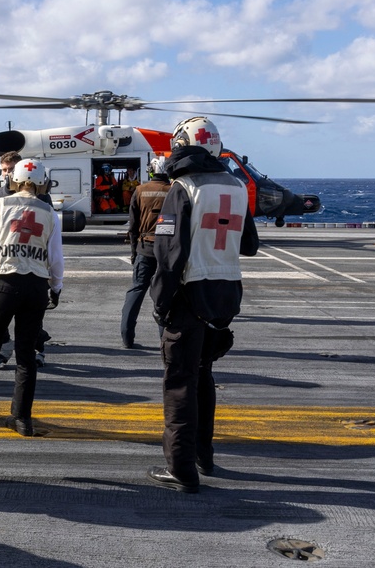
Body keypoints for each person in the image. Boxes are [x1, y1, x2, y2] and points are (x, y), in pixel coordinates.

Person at [146, 117, 259, 493]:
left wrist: (160, 303)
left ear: (182, 143)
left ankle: (180, 468)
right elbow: (249, 245)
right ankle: (203, 454)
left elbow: (168, 254)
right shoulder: (237, 186)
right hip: (225, 295)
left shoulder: (183, 187)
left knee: (179, 381)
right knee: (204, 374)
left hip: (188, 295)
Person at [0, 158, 64, 437]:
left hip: (5, 283)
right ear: (43, 183)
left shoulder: (1, 205)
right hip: (36, 288)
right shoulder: (50, 212)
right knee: (26, 355)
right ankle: (21, 418)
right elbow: (56, 256)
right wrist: (56, 286)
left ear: (13, 180)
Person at [0, 151, 53, 369]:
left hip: (32, 261)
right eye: (4, 169)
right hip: (5, 261)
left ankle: (37, 348)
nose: (7, 173)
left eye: (11, 169)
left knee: (31, 314)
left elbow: (48, 231)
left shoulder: (42, 197)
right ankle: (5, 345)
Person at [120, 156, 171, 349]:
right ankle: (165, 339)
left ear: (151, 171)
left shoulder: (140, 191)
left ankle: (127, 336)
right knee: (165, 295)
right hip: (167, 251)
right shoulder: (175, 191)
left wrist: (134, 252)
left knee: (136, 290)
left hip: (145, 248)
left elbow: (133, 226)